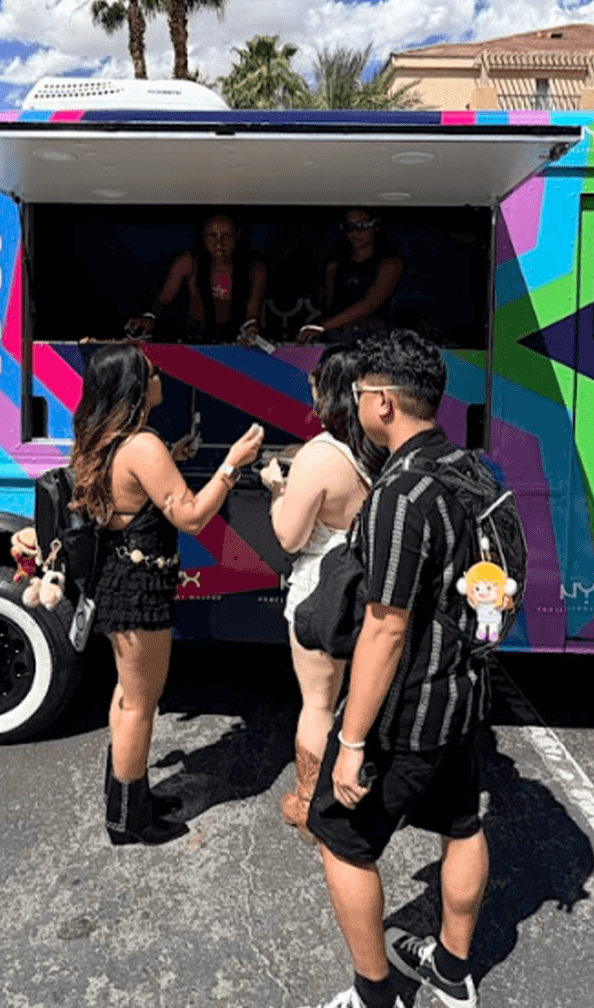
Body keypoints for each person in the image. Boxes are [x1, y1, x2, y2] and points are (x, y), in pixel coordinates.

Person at [299, 329, 488, 1008]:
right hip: (464, 690)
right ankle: (452, 970)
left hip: (407, 708)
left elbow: (386, 625)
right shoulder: (472, 468)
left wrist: (351, 741)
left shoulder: (400, 494)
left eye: (358, 393)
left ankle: (375, 993)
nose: (355, 405)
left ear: (382, 401)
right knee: (462, 823)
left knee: (341, 837)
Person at [68, 343, 264, 845]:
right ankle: (129, 820)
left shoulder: (104, 438)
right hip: (142, 588)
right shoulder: (142, 445)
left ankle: (127, 796)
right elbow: (192, 517)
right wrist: (232, 464)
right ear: (135, 385)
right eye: (152, 371)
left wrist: (170, 459)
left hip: (119, 579)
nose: (160, 376)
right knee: (141, 703)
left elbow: (131, 493)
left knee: (126, 696)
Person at [260, 344, 385, 842]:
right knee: (360, 700)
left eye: (315, 385)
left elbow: (289, 537)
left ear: (330, 391)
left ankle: (309, 806)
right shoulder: (382, 447)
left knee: (317, 703)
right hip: (373, 588)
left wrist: (277, 491)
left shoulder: (318, 456)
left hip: (323, 592)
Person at [129, 214, 267, 343]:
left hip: (233, 340)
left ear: (238, 235)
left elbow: (252, 314)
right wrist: (148, 318)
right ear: (203, 236)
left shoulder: (255, 268)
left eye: (226, 236)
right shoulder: (188, 262)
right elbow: (163, 300)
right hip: (194, 338)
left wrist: (251, 329)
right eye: (212, 236)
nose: (219, 244)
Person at [298, 210, 403, 343]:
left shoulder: (390, 263)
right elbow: (329, 307)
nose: (355, 233)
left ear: (376, 226)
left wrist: (323, 326)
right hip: (336, 334)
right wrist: (323, 329)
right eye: (349, 227)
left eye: (361, 226)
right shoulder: (335, 265)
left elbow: (368, 304)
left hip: (372, 338)